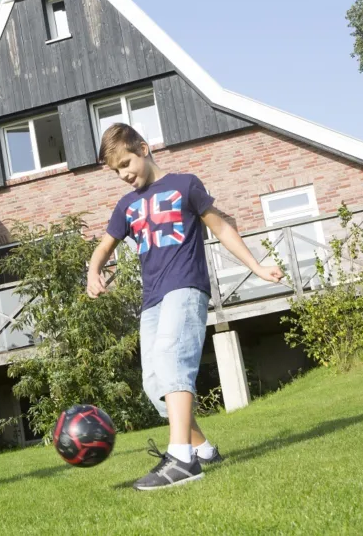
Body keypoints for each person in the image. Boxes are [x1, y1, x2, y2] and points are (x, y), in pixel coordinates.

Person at [86, 123, 284, 491]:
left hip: (187, 287)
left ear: (144, 149)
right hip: (153, 300)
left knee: (172, 358)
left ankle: (181, 459)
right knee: (154, 383)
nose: (124, 174)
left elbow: (222, 228)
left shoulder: (185, 185)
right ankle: (204, 450)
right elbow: (104, 246)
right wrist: (93, 271)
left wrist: (257, 266)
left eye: (126, 163)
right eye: (116, 171)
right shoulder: (126, 205)